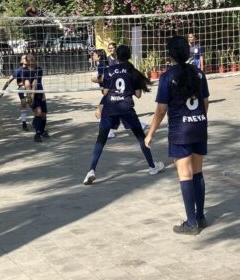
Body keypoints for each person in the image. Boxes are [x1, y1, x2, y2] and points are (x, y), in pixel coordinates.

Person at [145, 36, 210, 235]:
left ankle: (191, 224)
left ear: (170, 54)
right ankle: (200, 217)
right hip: (199, 126)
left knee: (185, 175)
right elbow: (205, 102)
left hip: (180, 130)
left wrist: (150, 133)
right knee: (197, 172)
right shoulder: (199, 73)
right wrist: (199, 119)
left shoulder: (167, 77)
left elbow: (161, 110)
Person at [84, 45, 165, 184]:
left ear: (117, 55)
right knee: (141, 137)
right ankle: (152, 166)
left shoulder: (110, 70)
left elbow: (105, 92)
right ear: (129, 55)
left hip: (110, 107)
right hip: (126, 107)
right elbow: (138, 94)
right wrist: (129, 89)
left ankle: (91, 170)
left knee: (101, 140)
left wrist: (107, 87)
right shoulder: (132, 71)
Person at [91, 49, 119, 139]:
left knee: (98, 113)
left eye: (94, 55)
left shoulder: (101, 66)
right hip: (111, 92)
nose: (93, 56)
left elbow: (102, 78)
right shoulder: (104, 64)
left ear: (99, 57)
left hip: (109, 93)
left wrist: (94, 79)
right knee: (116, 114)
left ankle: (108, 132)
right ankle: (108, 131)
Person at [1, 54, 31, 131]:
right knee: (24, 103)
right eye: (24, 58)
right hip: (22, 89)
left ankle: (36, 121)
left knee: (33, 104)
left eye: (27, 58)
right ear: (21, 61)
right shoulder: (18, 70)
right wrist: (2, 90)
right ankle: (24, 124)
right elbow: (9, 81)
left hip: (31, 89)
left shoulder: (30, 69)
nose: (26, 59)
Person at [25, 54, 49, 142]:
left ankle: (41, 130)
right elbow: (27, 85)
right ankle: (37, 134)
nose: (33, 61)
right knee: (38, 112)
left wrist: (43, 94)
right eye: (31, 60)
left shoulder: (39, 69)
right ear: (28, 61)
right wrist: (30, 97)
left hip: (39, 93)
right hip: (29, 94)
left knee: (44, 115)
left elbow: (37, 83)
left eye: (34, 59)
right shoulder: (24, 71)